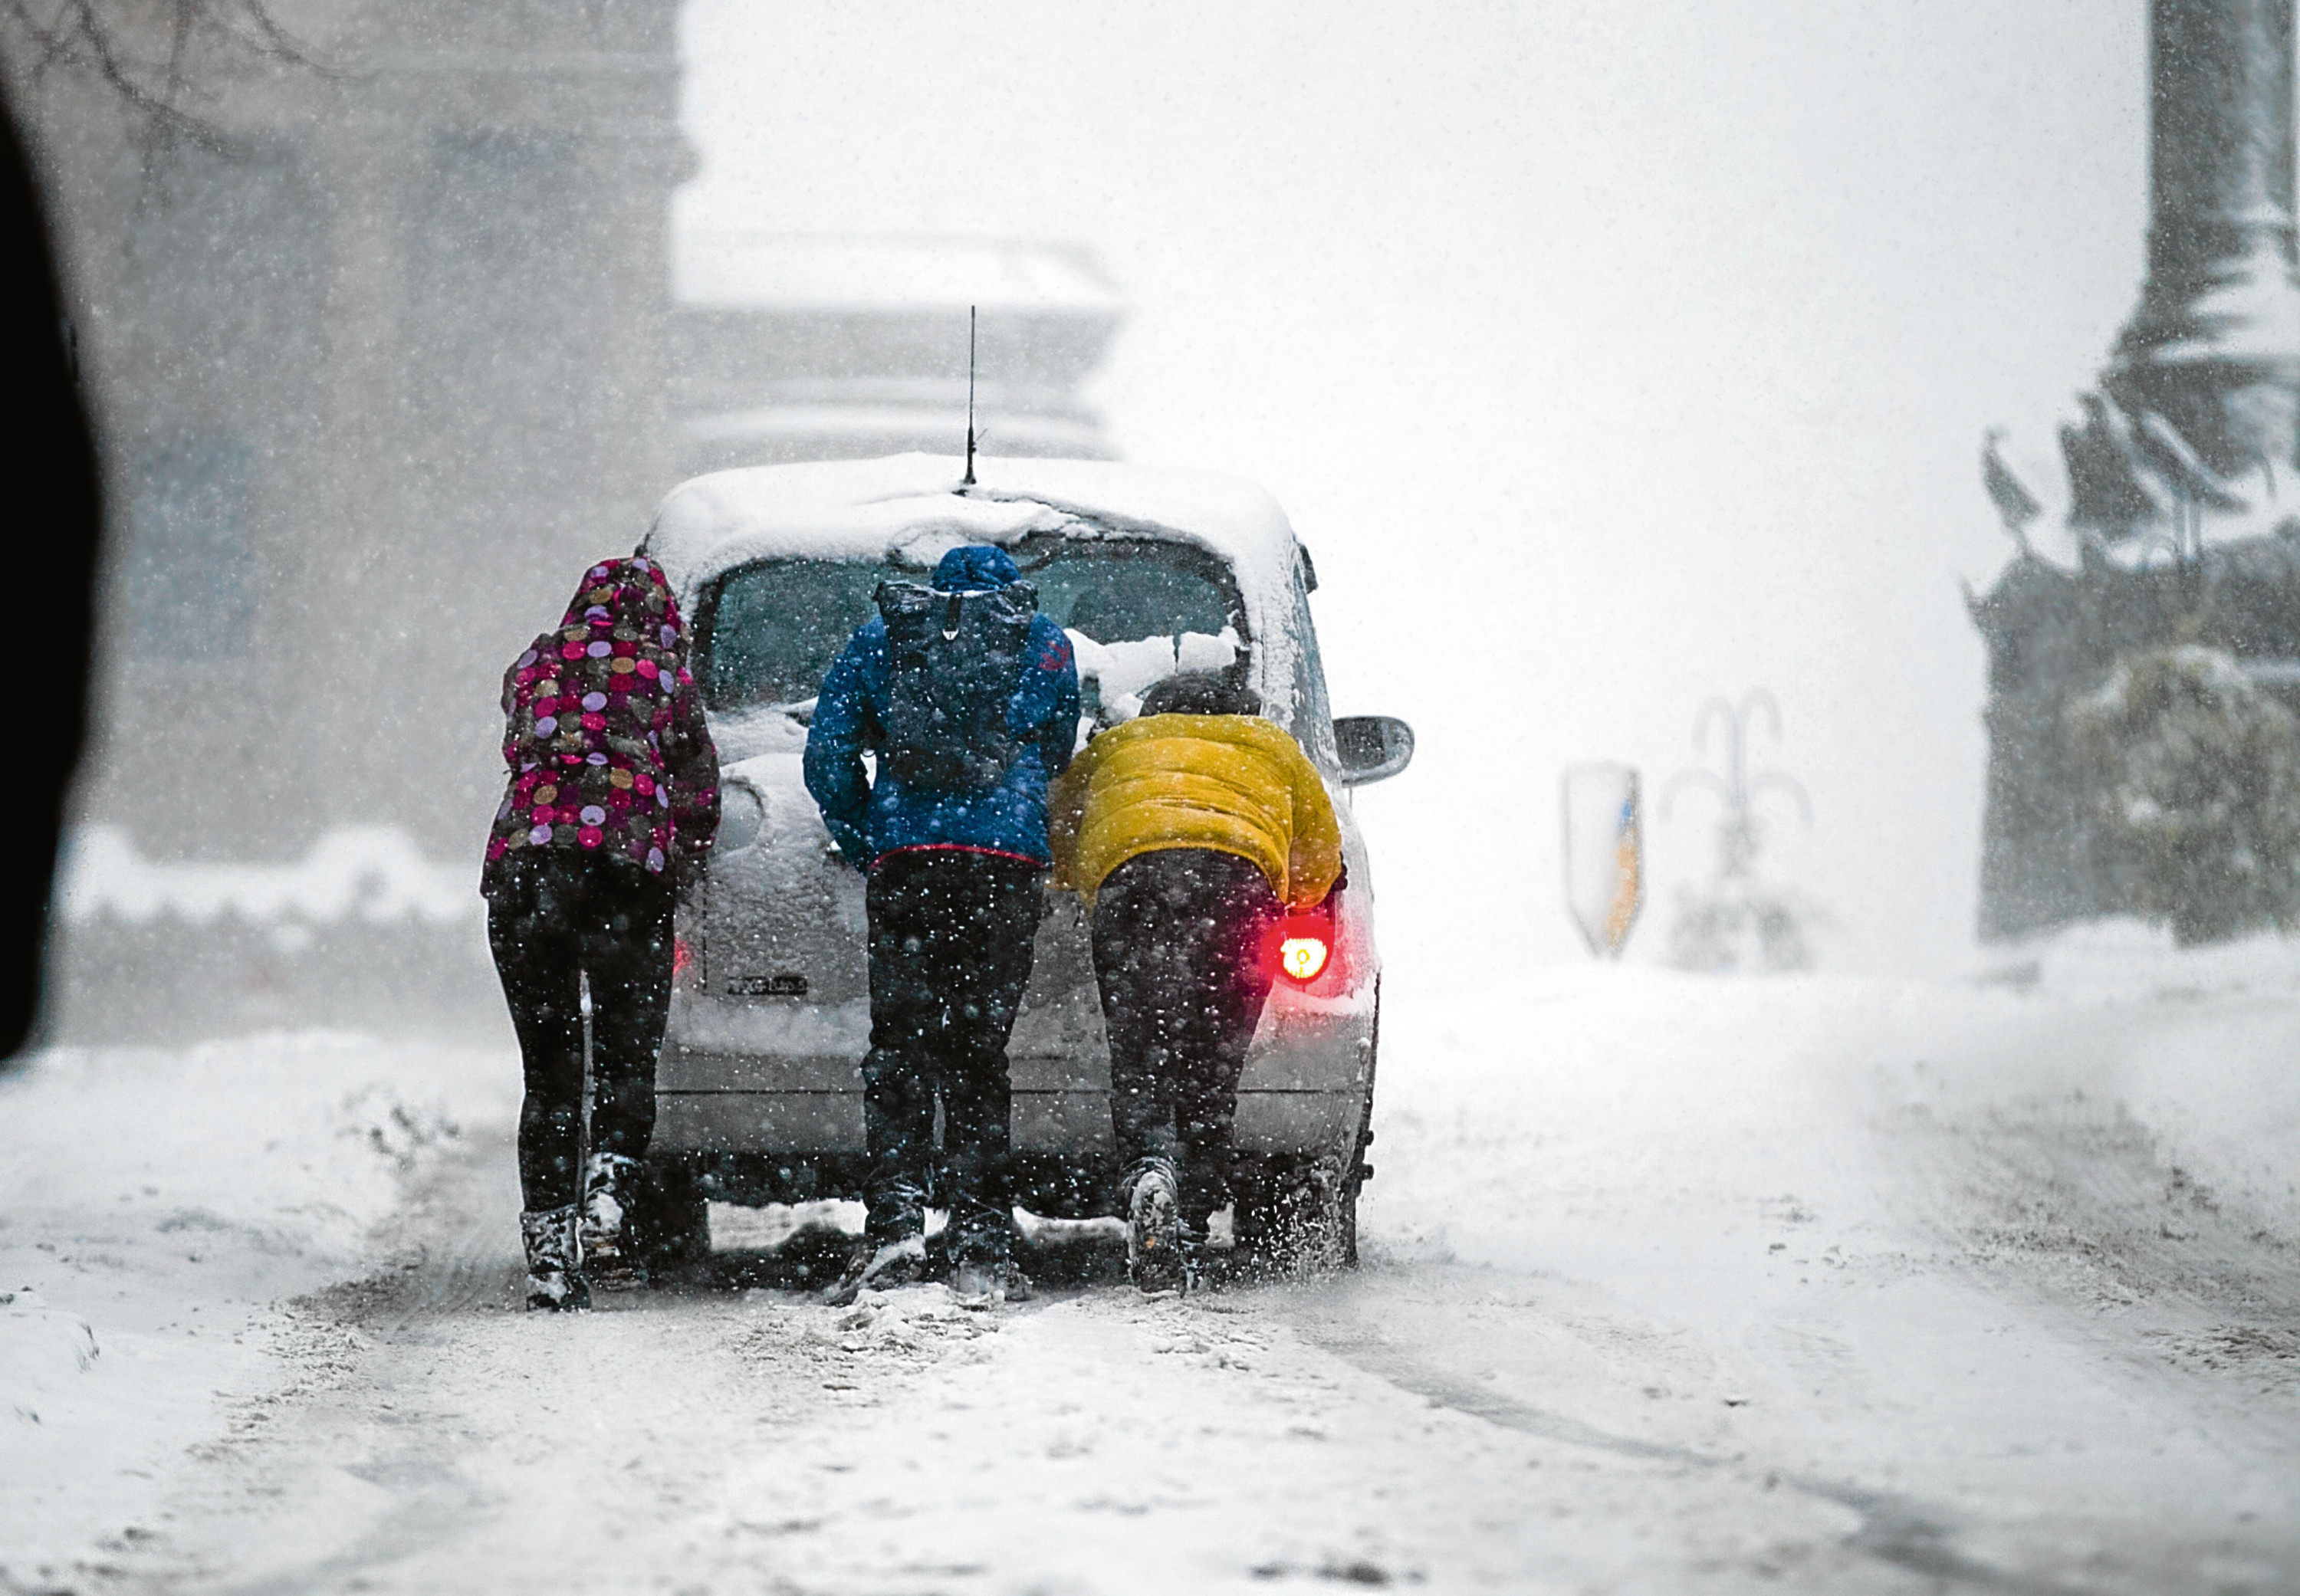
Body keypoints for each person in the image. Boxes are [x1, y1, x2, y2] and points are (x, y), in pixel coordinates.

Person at [804, 544, 1079, 1307]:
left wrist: (868, 835)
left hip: (910, 862)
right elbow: (1058, 750)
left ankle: (894, 1224)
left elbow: (827, 750)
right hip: (1003, 864)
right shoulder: (1046, 641)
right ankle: (982, 1236)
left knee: (898, 1046)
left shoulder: (882, 636)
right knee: (979, 1052)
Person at [1047, 672, 1343, 1292]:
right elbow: (1318, 856)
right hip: (1238, 887)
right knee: (1213, 1063)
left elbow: (1060, 828)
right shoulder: (1271, 748)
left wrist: (1079, 881)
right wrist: (1300, 899)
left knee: (1139, 1052)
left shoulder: (1119, 744)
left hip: (1133, 884)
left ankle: (1150, 1171)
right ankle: (1191, 1213)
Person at [482, 555, 719, 1311]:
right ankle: (610, 1188)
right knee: (625, 1055)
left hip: (523, 874)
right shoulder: (662, 673)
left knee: (549, 1078)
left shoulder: (535, 660)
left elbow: (521, 744)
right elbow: (698, 787)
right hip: (623, 872)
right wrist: (686, 847)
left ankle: (549, 1259)